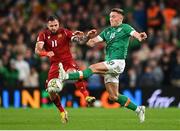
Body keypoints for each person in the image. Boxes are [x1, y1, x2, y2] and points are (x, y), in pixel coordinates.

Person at [58, 8, 147, 123]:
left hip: (118, 62)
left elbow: (136, 35)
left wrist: (141, 36)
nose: (111, 19)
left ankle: (66, 76)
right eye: (110, 16)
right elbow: (91, 42)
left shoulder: (125, 28)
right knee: (114, 97)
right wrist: (89, 36)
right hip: (111, 64)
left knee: (93, 68)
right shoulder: (107, 31)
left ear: (121, 18)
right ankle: (138, 109)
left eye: (114, 16)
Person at [35, 15, 95, 124]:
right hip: (55, 64)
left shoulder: (64, 32)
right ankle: (62, 112)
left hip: (67, 61)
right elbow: (37, 50)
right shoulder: (43, 34)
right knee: (51, 90)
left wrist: (86, 36)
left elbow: (77, 40)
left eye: (55, 25)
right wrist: (46, 53)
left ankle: (87, 96)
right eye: (51, 26)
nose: (53, 27)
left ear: (59, 24)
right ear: (47, 25)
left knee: (74, 73)